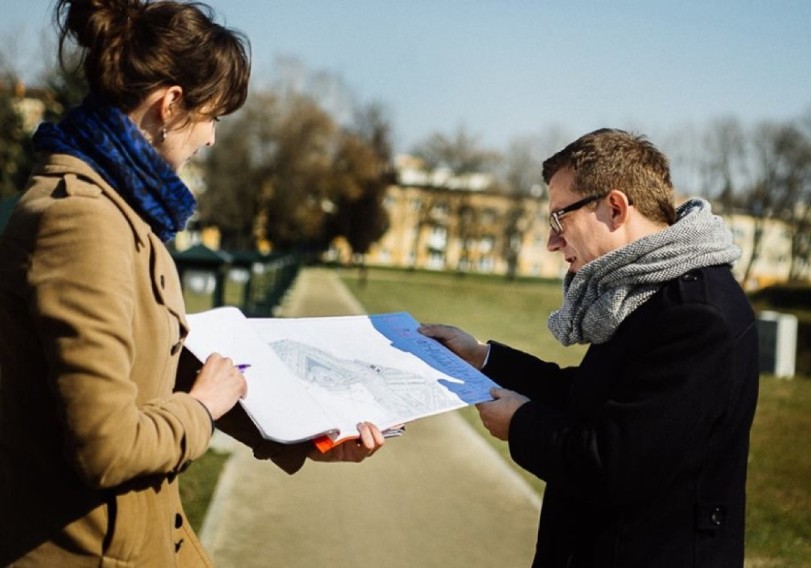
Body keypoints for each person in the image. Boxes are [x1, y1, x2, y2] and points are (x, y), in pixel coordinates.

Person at [0, 1, 383, 565]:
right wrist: (202, 407)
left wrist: (303, 435)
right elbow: (107, 446)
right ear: (169, 104)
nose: (210, 140)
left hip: (146, 538)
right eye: (212, 118)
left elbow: (157, 367)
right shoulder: (81, 220)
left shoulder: (122, 209)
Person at [420, 128, 759, 568]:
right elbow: (592, 396)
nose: (552, 241)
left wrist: (520, 423)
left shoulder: (696, 315)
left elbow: (614, 465)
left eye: (560, 219)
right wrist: (482, 357)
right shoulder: (644, 289)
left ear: (615, 208)